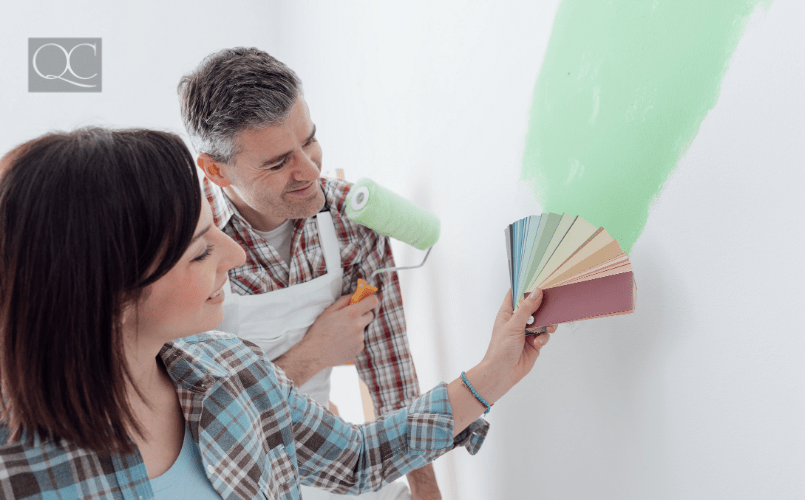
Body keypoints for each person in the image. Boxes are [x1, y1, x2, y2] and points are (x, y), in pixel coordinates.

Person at [0, 128, 554, 500]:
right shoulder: (15, 468)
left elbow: (358, 458)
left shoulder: (227, 369)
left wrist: (494, 372)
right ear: (104, 293)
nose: (235, 255)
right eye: (200, 250)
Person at [177, 47, 435, 500]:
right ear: (216, 171)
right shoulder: (182, 251)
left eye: (309, 140)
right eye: (278, 163)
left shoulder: (350, 222)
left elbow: (394, 381)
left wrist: (428, 495)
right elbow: (193, 428)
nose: (310, 171)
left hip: (316, 462)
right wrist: (313, 354)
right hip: (215, 478)